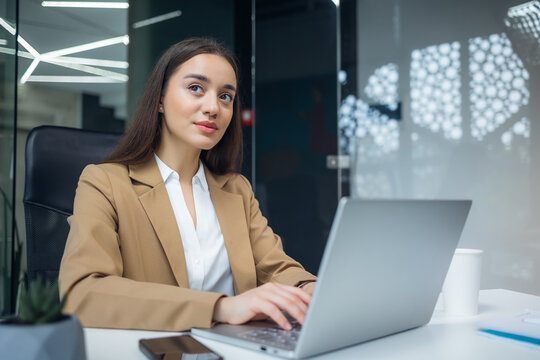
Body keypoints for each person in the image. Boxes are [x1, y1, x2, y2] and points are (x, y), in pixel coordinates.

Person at [58, 38, 317, 332]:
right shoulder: (105, 183)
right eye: (196, 88)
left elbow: (276, 268)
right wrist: (220, 307)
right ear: (159, 99)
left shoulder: (235, 189)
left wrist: (310, 290)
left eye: (225, 96)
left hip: (233, 350)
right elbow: (82, 294)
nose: (213, 107)